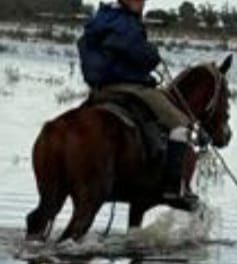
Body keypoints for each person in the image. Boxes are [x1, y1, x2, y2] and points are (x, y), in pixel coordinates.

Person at [77, 0, 196, 206]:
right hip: (129, 86)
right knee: (181, 124)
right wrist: (152, 53)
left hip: (100, 89)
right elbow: (140, 54)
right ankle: (172, 188)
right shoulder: (125, 23)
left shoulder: (99, 20)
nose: (141, 3)